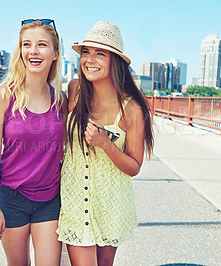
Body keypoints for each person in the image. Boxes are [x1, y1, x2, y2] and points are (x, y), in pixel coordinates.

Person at [57, 21, 154, 266]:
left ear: (115, 61)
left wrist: (106, 144)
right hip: (75, 201)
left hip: (111, 204)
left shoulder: (132, 108)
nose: (90, 60)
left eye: (100, 53)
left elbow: (134, 166)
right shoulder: (75, 90)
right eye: (86, 52)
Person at [0, 19, 67, 266]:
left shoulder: (60, 100)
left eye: (42, 45)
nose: (33, 51)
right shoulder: (1, 96)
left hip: (50, 199)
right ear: (20, 51)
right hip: (11, 199)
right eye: (27, 44)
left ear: (55, 54)